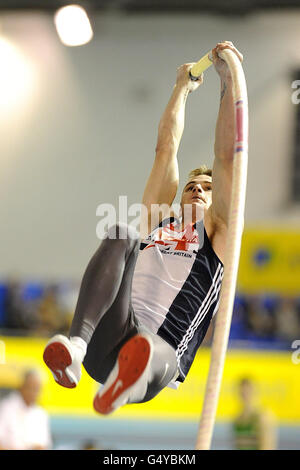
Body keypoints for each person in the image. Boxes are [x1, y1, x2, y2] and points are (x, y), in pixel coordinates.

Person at [43, 41, 243, 415]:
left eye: (207, 188)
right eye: (191, 186)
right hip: (110, 337)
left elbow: (226, 157)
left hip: (160, 355)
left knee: (149, 349)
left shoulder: (219, 229)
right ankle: (75, 349)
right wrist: (181, 87)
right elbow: (165, 148)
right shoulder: (158, 220)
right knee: (122, 231)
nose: (197, 189)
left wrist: (227, 82)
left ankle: (122, 388)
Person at [0, 369, 52, 450]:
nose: (33, 393)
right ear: (22, 387)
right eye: (30, 388)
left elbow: (43, 444)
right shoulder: (6, 408)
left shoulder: (40, 414)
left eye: (36, 389)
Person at [232, 378, 277, 450]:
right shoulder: (237, 419)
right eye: (242, 392)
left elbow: (267, 445)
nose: (245, 394)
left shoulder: (263, 416)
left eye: (248, 391)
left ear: (254, 391)